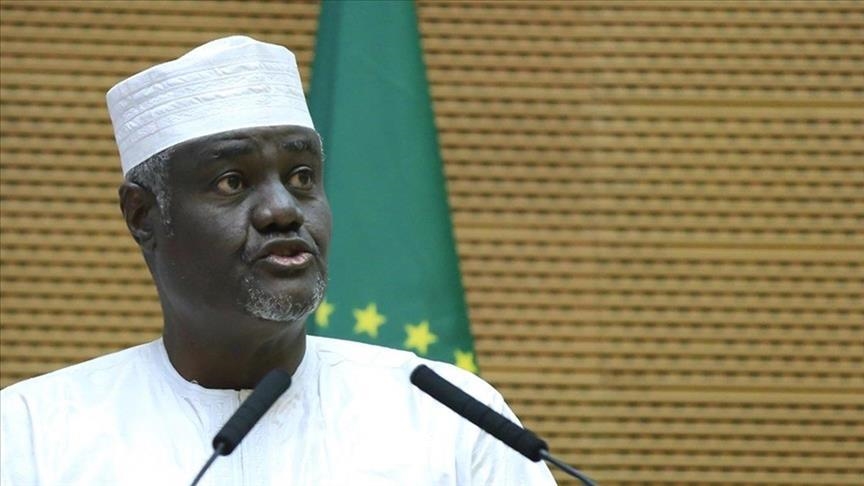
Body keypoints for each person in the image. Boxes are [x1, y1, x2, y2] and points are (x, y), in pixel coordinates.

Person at [0, 36, 557, 485]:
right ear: (143, 215)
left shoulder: (447, 419)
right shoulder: (33, 435)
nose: (283, 210)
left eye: (302, 177)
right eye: (232, 181)